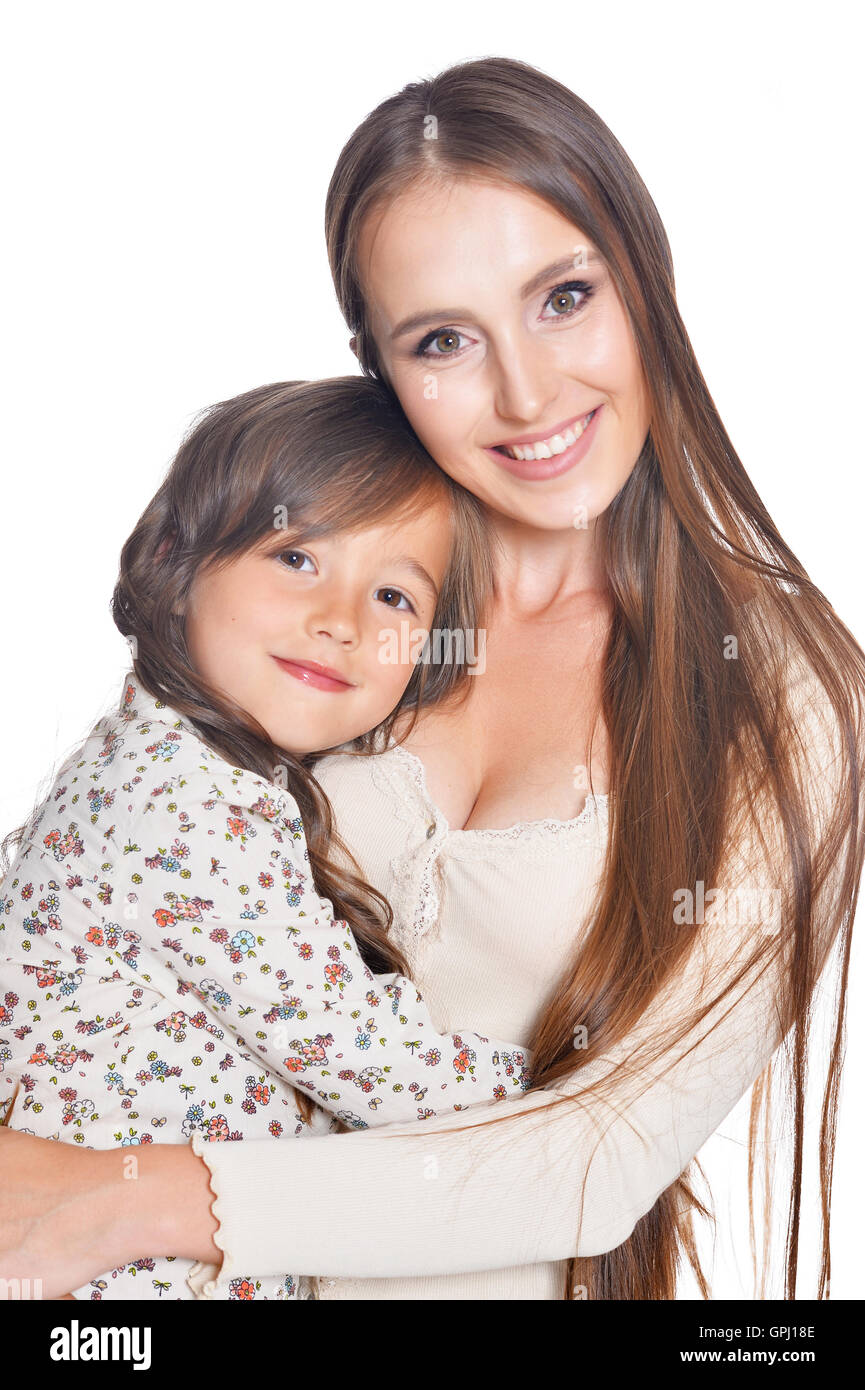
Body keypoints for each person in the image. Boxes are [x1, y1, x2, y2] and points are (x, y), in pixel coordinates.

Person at [2, 55, 864, 1303]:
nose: (526, 393)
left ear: (645, 278)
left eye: (564, 296)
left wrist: (112, 1200)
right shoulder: (320, 594)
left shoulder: (782, 692)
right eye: (445, 339)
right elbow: (99, 884)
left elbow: (607, 1153)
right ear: (382, 364)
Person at [0, 374, 533, 1301]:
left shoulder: (181, 758)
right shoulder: (185, 804)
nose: (341, 621)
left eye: (397, 599)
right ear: (176, 560)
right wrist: (554, 1091)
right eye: (297, 558)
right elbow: (362, 1056)